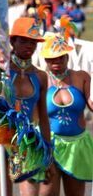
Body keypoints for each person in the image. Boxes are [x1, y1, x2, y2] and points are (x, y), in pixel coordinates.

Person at [38, 19, 93, 196]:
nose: (56, 62)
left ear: (67, 57)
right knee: (47, 193)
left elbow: (91, 106)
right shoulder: (40, 79)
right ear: (45, 59)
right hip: (49, 144)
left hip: (77, 147)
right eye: (52, 58)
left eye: (60, 57)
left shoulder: (82, 77)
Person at [9, 16, 53, 195]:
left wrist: (48, 152)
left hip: (28, 142)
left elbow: (43, 118)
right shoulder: (0, 72)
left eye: (33, 42)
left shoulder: (40, 76)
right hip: (1, 142)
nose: (30, 46)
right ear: (12, 41)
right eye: (24, 41)